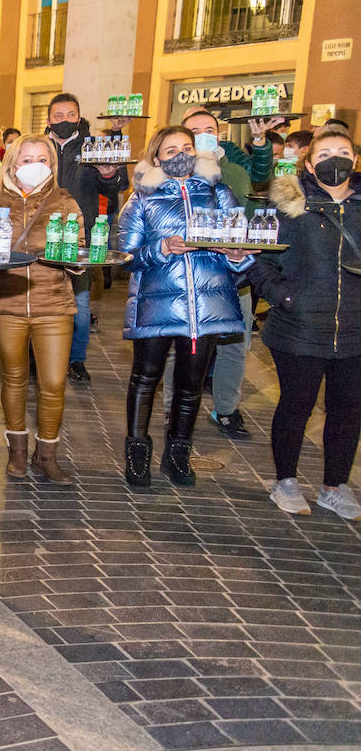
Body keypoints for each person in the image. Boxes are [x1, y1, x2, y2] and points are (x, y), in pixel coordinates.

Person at [120, 125, 255, 490]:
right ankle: (137, 453)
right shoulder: (142, 198)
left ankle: (178, 453)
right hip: (155, 304)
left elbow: (239, 251)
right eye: (170, 150)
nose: (180, 154)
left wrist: (237, 255)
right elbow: (125, 256)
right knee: (145, 379)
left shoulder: (218, 192)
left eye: (187, 147)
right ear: (156, 157)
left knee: (191, 384)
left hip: (207, 304)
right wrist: (161, 249)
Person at [249, 131, 361, 519]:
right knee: (297, 405)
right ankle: (286, 481)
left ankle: (335, 485)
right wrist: (285, 297)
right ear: (310, 164)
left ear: (355, 160)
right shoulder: (290, 207)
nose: (336, 159)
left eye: (343, 153)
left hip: (355, 328)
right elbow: (260, 261)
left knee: (348, 409)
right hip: (299, 327)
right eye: (326, 154)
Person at [0, 135, 83, 484]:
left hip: (54, 303)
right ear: (13, 164)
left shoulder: (65, 200)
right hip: (6, 303)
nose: (34, 166)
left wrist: (78, 261)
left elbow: (78, 248)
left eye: (42, 159)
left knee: (54, 383)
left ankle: (46, 454)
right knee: (14, 378)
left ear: (52, 164)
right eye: (27, 159)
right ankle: (16, 451)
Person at [180, 109, 258, 440]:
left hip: (233, 274)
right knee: (181, 343)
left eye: (208, 130)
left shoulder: (236, 172)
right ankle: (174, 406)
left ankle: (226, 410)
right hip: (188, 273)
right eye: (193, 131)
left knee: (234, 344)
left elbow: (251, 215)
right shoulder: (172, 171)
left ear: (219, 134)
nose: (202, 136)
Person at [44, 94, 98, 385]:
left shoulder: (92, 146)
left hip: (80, 236)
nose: (64, 120)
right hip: (42, 235)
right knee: (41, 300)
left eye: (70, 114)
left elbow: (117, 185)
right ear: (49, 118)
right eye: (58, 115)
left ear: (79, 116)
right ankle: (34, 357)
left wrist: (109, 173)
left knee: (80, 306)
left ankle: (76, 359)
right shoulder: (39, 148)